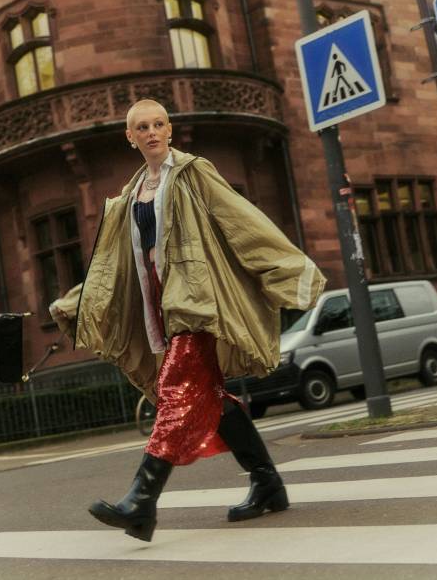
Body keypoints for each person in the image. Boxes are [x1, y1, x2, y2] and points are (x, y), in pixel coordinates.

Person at [49, 99, 325, 542]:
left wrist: (288, 268)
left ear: (170, 130)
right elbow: (113, 266)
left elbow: (240, 219)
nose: (152, 132)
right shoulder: (128, 196)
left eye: (158, 124)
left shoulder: (193, 173)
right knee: (209, 396)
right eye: (142, 127)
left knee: (176, 389)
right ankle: (268, 483)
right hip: (158, 305)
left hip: (196, 301)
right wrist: (76, 303)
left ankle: (141, 501)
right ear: (130, 137)